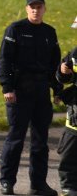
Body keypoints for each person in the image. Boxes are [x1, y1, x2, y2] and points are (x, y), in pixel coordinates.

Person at [0, 0, 61, 196]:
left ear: (44, 9)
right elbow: (5, 61)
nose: (35, 10)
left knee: (40, 142)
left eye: (39, 6)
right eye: (32, 6)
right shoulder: (15, 29)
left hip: (41, 92)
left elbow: (55, 66)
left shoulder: (49, 33)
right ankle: (7, 182)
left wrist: (57, 91)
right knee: (16, 139)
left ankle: (38, 184)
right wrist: (7, 88)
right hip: (19, 92)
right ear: (27, 9)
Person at [58, 43, 77, 196]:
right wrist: (63, 71)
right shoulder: (75, 53)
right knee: (70, 151)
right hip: (75, 115)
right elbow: (63, 77)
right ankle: (68, 187)